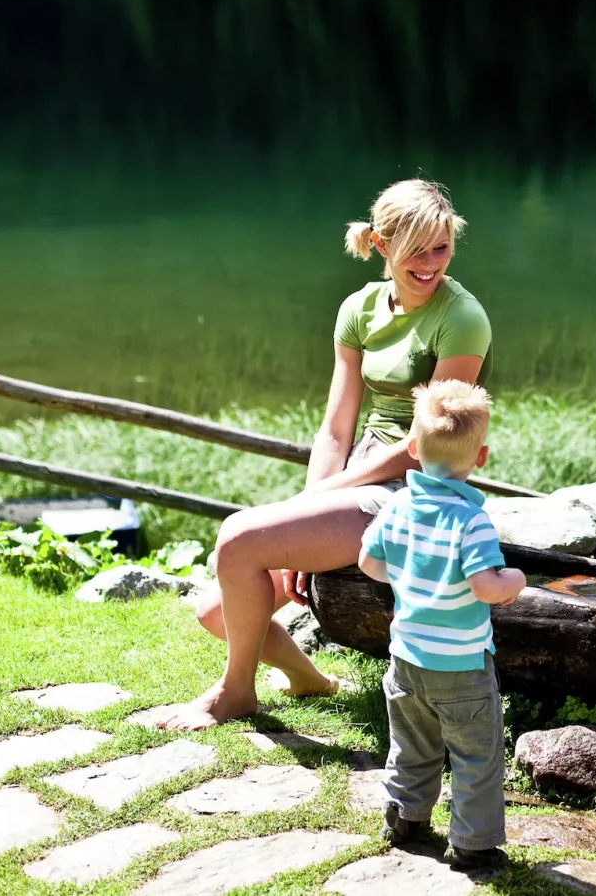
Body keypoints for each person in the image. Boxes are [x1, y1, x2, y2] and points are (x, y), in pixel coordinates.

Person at [164, 179, 491, 729]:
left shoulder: (462, 319)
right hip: (361, 468)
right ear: (383, 244)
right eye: (416, 249)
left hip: (417, 487)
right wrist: (309, 499)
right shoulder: (358, 309)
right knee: (214, 611)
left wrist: (323, 498)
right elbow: (336, 428)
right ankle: (309, 678)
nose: (431, 263)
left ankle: (234, 693)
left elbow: (425, 447)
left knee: (238, 537)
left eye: (441, 247)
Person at [357, 380, 525, 871]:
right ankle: (473, 845)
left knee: (413, 742)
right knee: (476, 755)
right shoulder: (471, 521)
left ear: (412, 449)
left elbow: (367, 560)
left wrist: (407, 578)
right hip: (462, 666)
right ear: (483, 456)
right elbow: (485, 587)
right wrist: (513, 578)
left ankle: (405, 818)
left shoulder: (398, 507)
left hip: (406, 658)